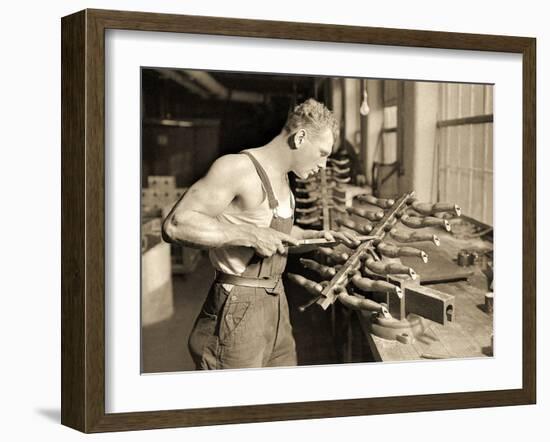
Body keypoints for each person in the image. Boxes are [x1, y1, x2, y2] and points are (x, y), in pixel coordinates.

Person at [162, 98, 359, 370]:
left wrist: (321, 236)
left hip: (276, 302)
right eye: (323, 153)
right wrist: (250, 234)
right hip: (238, 307)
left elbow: (280, 236)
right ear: (300, 137)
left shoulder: (284, 179)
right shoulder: (237, 168)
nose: (324, 165)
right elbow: (176, 224)